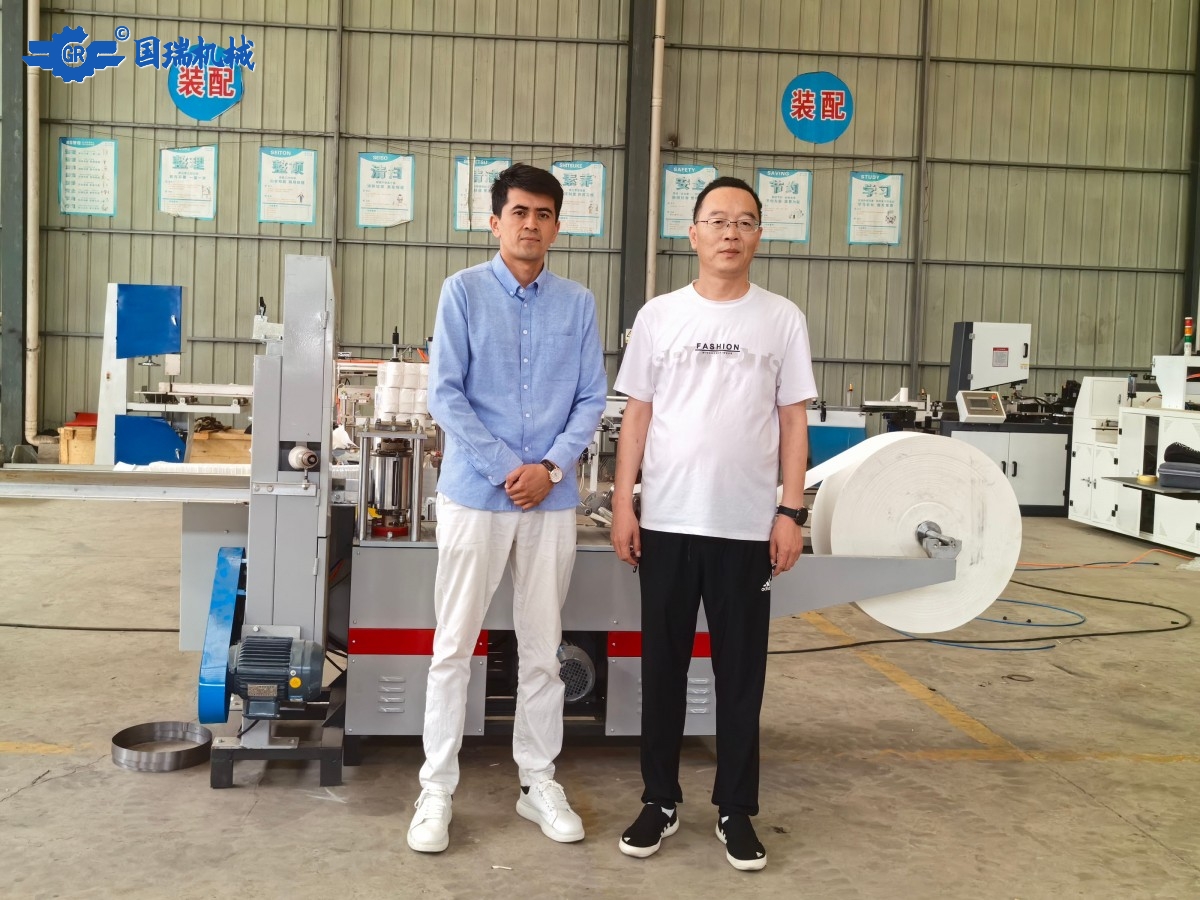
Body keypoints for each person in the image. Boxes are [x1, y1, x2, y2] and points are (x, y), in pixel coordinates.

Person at [610, 176, 817, 871]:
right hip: (668, 522)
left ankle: (735, 809)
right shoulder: (660, 316)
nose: (731, 233)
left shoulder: (780, 318)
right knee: (663, 669)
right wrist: (624, 502)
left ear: (759, 235)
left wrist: (790, 511)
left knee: (741, 677)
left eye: (745, 221)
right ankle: (659, 800)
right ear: (693, 232)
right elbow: (637, 416)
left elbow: (793, 422)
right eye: (718, 220)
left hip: (747, 528)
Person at [408, 163, 608, 853]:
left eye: (543, 214)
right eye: (519, 212)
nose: (531, 224)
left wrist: (548, 469)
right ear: (495, 222)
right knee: (453, 647)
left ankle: (537, 781)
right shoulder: (462, 292)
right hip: (476, 495)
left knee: (543, 649)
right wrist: (506, 469)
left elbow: (591, 397)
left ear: (557, 226)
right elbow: (446, 393)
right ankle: (436, 789)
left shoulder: (577, 304)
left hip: (549, 501)